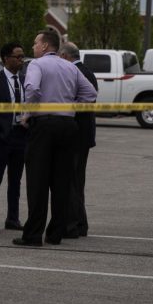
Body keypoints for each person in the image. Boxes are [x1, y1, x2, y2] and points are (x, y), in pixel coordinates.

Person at [13, 30, 97, 247]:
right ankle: (55, 234)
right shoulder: (70, 66)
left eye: (35, 43)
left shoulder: (37, 65)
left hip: (44, 126)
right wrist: (70, 106)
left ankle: (32, 235)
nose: (33, 47)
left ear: (43, 46)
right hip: (68, 126)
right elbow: (90, 94)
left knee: (38, 181)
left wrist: (27, 113)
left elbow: (32, 88)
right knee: (61, 182)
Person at [0, 42, 27, 233]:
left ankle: (13, 218)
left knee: (15, 181)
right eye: (18, 57)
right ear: (6, 59)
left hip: (21, 136)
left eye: (23, 56)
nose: (21, 60)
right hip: (0, 138)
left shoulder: (25, 80)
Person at [59, 41, 98, 238]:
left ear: (65, 57)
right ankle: (81, 224)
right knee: (77, 181)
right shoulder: (87, 71)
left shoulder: (76, 73)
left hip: (75, 135)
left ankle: (72, 225)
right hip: (84, 136)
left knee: (72, 182)